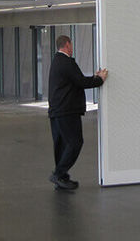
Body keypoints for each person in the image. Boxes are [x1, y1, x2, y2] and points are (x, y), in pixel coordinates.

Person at [47, 35, 107, 190]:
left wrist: (94, 77)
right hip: (67, 111)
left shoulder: (56, 61)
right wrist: (99, 79)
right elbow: (80, 81)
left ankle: (62, 177)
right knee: (75, 142)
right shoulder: (66, 62)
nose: (72, 48)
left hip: (57, 111)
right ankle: (59, 174)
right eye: (71, 45)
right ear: (67, 45)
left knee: (62, 145)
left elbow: (75, 80)